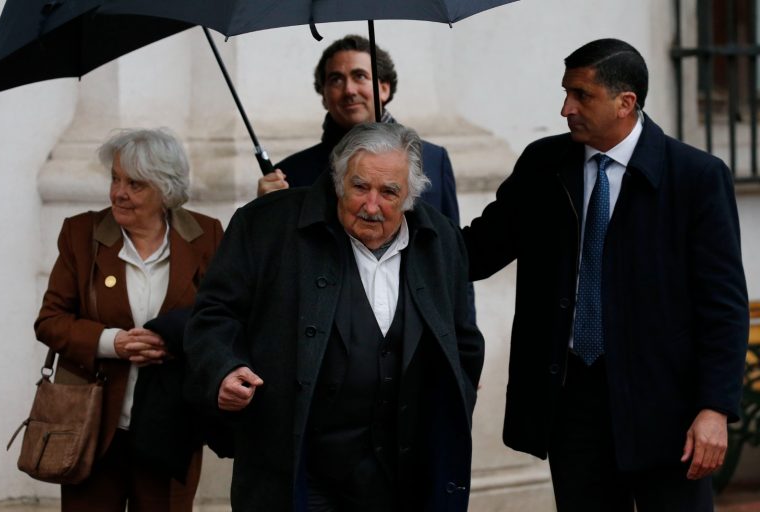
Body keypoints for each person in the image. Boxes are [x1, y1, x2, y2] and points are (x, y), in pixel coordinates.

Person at [463, 39, 749, 511]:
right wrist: (401, 225)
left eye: (581, 95)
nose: (566, 108)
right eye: (566, 93)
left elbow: (723, 306)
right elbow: (477, 251)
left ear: (625, 103)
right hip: (571, 402)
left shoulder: (696, 177)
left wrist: (715, 408)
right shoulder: (543, 165)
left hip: (667, 410)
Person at [184, 122, 484, 511]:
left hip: (406, 472)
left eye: (388, 192)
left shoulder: (440, 240)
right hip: (301, 469)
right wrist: (223, 369)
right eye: (360, 187)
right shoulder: (266, 225)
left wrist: (456, 393)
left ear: (410, 195)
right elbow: (213, 315)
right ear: (339, 180)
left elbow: (463, 338)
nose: (371, 206)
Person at [34, 128, 224, 512]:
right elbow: (50, 320)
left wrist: (174, 340)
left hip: (171, 427)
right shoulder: (81, 234)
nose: (119, 193)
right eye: (115, 179)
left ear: (166, 189)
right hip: (92, 427)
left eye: (135, 184)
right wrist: (112, 343)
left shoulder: (206, 236)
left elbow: (222, 319)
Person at [258, 34, 460, 223]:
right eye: (336, 79)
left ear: (384, 88)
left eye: (360, 76)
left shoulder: (434, 160)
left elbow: (451, 243)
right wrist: (264, 214)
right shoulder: (290, 175)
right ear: (324, 96)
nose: (349, 90)